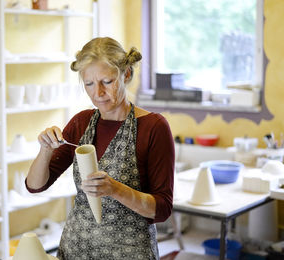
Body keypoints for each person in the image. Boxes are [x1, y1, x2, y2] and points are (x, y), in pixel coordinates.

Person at [26, 37, 175, 260]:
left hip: (129, 252)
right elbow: (35, 186)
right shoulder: (81, 122)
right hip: (77, 247)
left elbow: (162, 209)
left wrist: (115, 189)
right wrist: (45, 150)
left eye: (107, 81)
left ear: (125, 75)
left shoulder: (153, 127)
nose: (98, 93)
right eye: (89, 84)